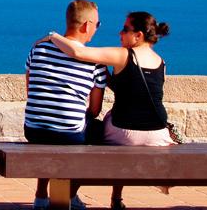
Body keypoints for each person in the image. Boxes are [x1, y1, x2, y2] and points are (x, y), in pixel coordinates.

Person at [47, 11, 172, 210]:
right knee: (117, 132)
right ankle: (116, 199)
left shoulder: (123, 54)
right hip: (158, 134)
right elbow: (134, 88)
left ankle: (69, 194)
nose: (120, 33)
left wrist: (54, 36)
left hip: (125, 131)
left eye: (125, 29)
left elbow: (79, 53)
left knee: (89, 134)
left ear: (138, 35)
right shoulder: (161, 62)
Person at [25, 0, 109, 210]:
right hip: (70, 133)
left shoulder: (38, 49)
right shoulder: (95, 61)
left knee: (50, 131)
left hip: (33, 129)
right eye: (97, 24)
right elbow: (95, 109)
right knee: (99, 132)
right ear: (87, 25)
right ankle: (70, 195)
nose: (96, 29)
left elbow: (30, 88)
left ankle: (41, 195)